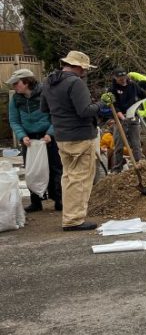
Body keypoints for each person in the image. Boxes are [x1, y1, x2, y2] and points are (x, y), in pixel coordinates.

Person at [40, 51, 104, 231]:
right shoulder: (75, 82)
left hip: (61, 137)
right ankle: (74, 220)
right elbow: (85, 111)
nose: (84, 72)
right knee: (80, 179)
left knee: (68, 177)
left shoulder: (49, 82)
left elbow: (43, 108)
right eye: (84, 68)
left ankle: (69, 216)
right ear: (78, 66)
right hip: (80, 136)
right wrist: (102, 105)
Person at [6, 69, 63, 212]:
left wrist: (50, 133)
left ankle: (59, 199)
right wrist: (22, 135)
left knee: (55, 167)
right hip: (29, 139)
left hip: (48, 136)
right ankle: (36, 201)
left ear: (26, 82)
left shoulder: (45, 93)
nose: (14, 86)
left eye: (16, 83)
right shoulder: (16, 99)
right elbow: (14, 120)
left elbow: (56, 115)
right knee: (32, 170)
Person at [108, 68, 146, 173]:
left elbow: (143, 95)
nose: (123, 80)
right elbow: (114, 106)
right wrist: (122, 118)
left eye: (124, 77)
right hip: (120, 119)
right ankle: (117, 168)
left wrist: (140, 104)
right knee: (119, 145)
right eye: (120, 79)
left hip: (133, 117)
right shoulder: (112, 89)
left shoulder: (133, 85)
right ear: (115, 78)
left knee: (136, 144)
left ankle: (139, 165)